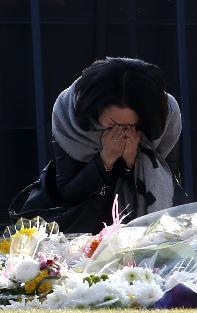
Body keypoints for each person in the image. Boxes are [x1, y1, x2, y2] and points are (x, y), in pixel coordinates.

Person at [51, 57, 181, 233]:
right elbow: (67, 195)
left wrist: (132, 163)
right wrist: (105, 160)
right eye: (113, 124)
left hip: (142, 232)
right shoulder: (69, 113)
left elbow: (168, 183)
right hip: (81, 232)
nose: (122, 131)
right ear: (95, 110)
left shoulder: (165, 115)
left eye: (131, 125)